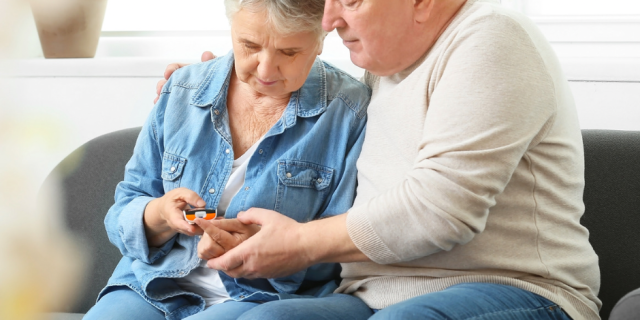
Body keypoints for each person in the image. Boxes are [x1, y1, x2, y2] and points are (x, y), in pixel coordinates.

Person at [159, 0, 602, 319]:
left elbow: (439, 211)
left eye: (350, 1)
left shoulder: (492, 36)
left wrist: (299, 245)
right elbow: (315, 111)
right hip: (371, 294)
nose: (329, 20)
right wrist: (220, 88)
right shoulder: (383, 68)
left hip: (514, 291)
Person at [84, 1, 374, 319]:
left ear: (321, 38)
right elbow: (123, 211)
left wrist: (272, 247)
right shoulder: (181, 90)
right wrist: (162, 215)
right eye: (249, 45)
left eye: (289, 52)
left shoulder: (349, 113)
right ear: (231, 26)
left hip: (262, 295)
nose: (265, 69)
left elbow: (344, 244)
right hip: (153, 284)